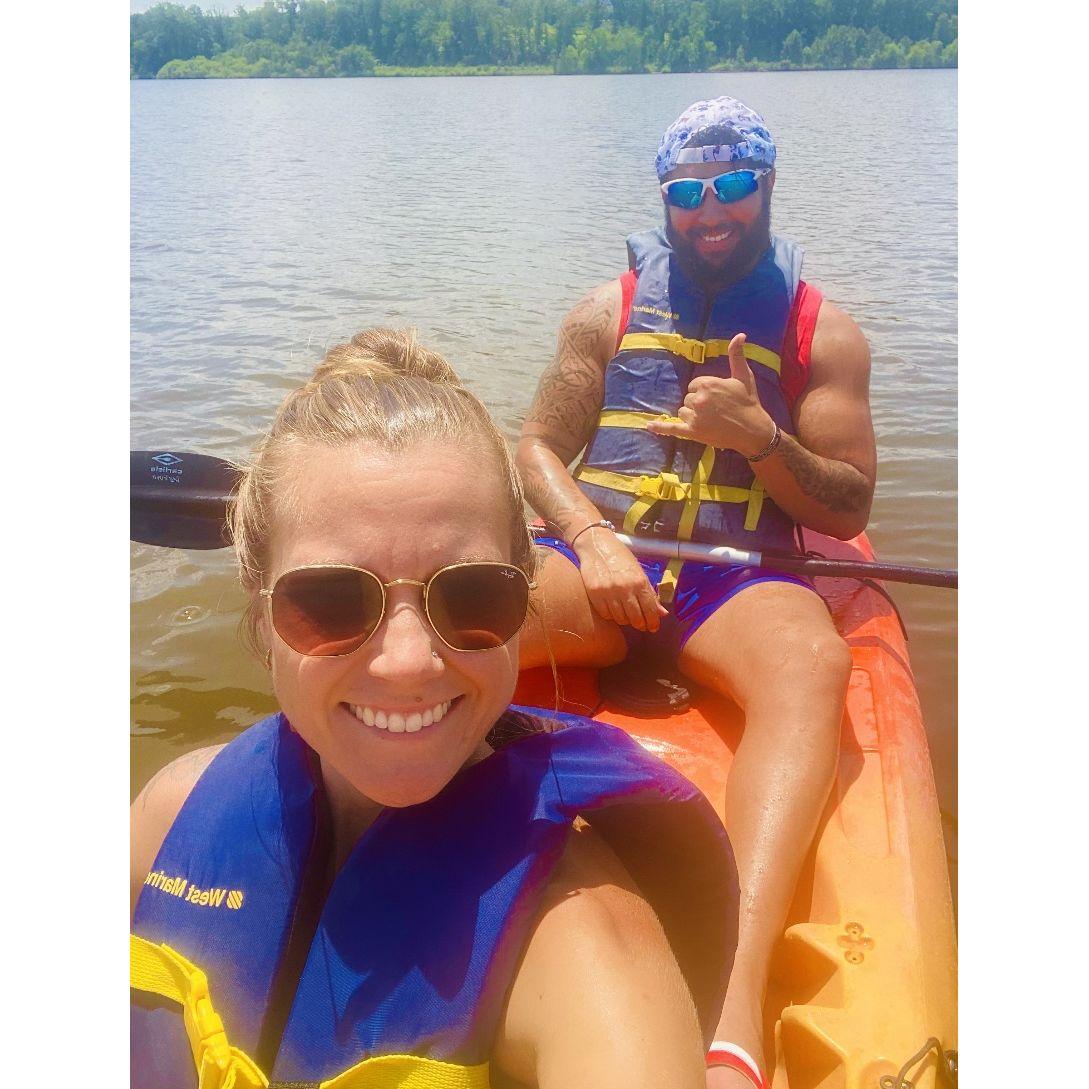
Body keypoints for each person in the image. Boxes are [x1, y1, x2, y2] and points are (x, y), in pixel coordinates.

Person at [130, 328, 739, 1089]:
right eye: (330, 600)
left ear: (525, 598)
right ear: (260, 613)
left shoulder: (581, 948)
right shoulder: (166, 818)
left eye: (472, 593)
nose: (408, 660)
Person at [516, 97, 876, 1089]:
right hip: (603, 570)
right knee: (463, 622)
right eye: (687, 192)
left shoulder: (822, 330)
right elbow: (536, 447)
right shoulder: (606, 310)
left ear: (764, 185)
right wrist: (588, 537)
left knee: (814, 664)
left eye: (731, 187)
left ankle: (734, 1000)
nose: (709, 209)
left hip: (735, 584)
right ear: (664, 199)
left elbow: (847, 508)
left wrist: (761, 439)